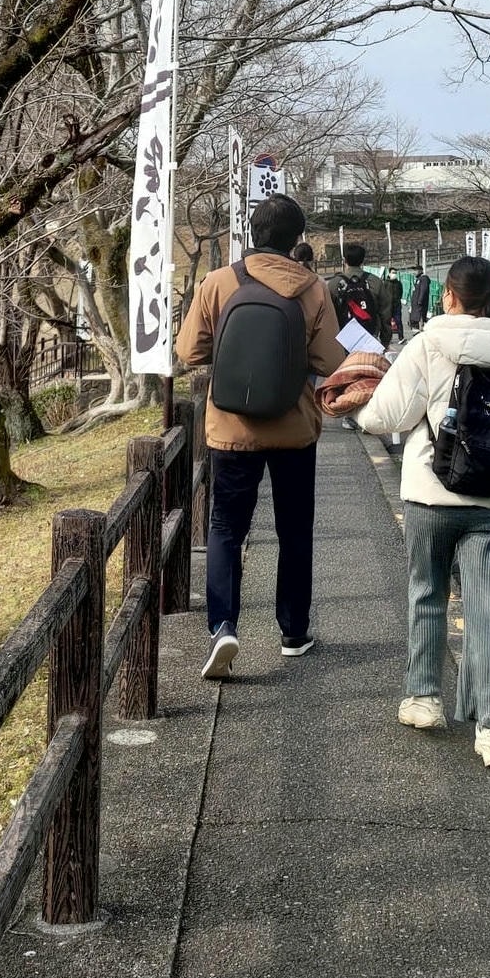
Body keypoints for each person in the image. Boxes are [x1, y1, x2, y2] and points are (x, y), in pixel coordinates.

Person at [357, 256, 490, 768]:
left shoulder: (427, 345)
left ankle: (424, 698)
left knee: (427, 592)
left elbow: (386, 415)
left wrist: (358, 406)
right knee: (487, 606)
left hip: (431, 493)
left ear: (448, 295)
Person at [175, 194, 345, 679]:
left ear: (252, 233)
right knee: (294, 530)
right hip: (294, 430)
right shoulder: (312, 288)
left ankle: (223, 626)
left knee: (227, 527)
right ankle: (293, 632)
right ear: (297, 240)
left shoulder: (218, 282)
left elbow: (189, 351)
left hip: (231, 428)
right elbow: (331, 363)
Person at [329, 242, 391, 346]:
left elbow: (328, 316)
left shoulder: (334, 284)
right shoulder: (375, 282)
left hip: (343, 340)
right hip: (369, 338)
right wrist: (385, 340)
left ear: (344, 261)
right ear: (363, 260)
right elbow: (385, 313)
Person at [408, 267, 432, 332]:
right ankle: (417, 331)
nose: (414, 272)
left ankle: (421, 331)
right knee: (415, 319)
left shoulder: (424, 279)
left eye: (415, 270)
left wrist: (420, 301)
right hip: (416, 304)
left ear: (420, 271)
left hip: (420, 305)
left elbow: (423, 291)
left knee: (420, 318)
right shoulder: (418, 279)